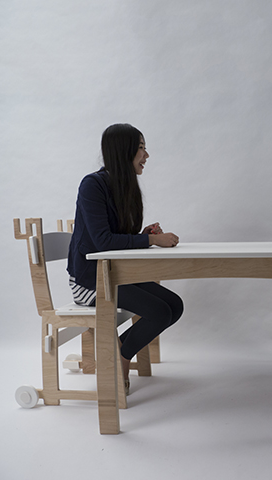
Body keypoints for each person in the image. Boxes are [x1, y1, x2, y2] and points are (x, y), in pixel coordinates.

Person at [67, 123, 184, 394]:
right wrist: (152, 241)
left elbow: (116, 238)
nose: (146, 155)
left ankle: (118, 348)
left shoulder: (124, 186)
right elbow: (103, 242)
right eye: (141, 148)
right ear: (124, 150)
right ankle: (121, 357)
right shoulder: (92, 185)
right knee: (159, 312)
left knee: (174, 306)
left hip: (115, 275)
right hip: (91, 282)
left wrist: (143, 235)